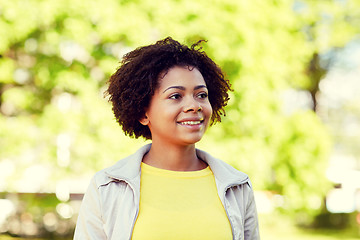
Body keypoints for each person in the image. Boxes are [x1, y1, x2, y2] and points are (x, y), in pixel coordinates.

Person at [74, 37, 260, 240]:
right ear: (143, 113)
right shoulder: (106, 188)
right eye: (175, 96)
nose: (194, 105)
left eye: (201, 95)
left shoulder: (238, 186)